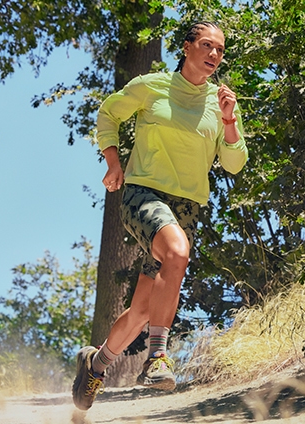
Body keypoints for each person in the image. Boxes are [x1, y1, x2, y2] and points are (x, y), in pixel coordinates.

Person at [72, 21, 248, 411]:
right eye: (206, 45)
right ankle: (156, 358)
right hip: (143, 193)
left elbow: (234, 164)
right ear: (186, 47)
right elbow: (108, 114)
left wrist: (231, 122)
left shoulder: (219, 104)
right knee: (177, 254)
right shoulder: (151, 86)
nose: (214, 55)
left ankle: (95, 365)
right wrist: (113, 162)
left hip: (187, 207)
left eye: (219, 50)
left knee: (144, 310)